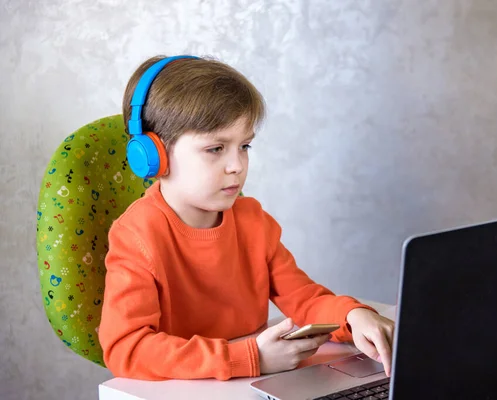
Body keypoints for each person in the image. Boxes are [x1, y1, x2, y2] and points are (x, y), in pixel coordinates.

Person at [98, 55, 394, 381]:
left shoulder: (252, 221)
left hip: (249, 384)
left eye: (245, 146)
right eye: (216, 148)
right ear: (154, 155)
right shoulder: (138, 236)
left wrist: (354, 317)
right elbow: (127, 348)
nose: (236, 165)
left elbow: (305, 298)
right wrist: (250, 358)